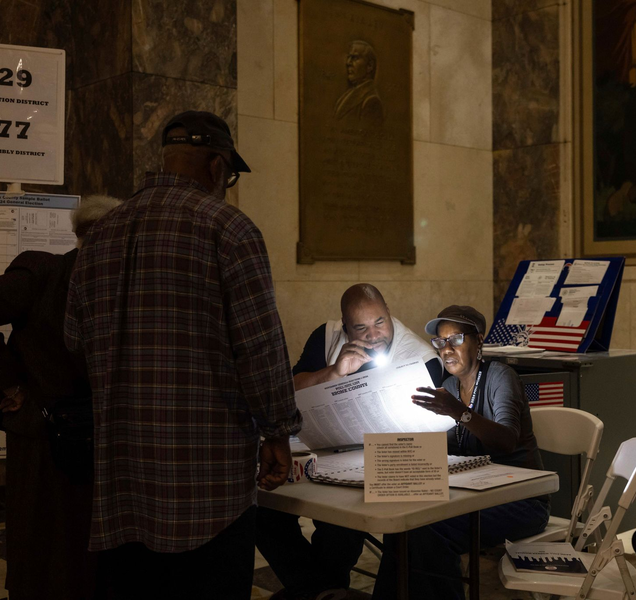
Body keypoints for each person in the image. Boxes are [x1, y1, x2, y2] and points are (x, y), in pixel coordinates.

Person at [64, 111, 301, 600]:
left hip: (123, 484)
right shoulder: (228, 229)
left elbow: (74, 340)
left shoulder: (101, 234)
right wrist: (277, 430)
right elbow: (259, 348)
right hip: (208, 490)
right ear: (216, 166)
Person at [256, 283, 442, 600]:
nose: (373, 335)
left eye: (380, 322)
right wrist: (332, 373)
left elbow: (427, 435)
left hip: (384, 463)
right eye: (361, 328)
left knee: (341, 521)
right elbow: (291, 388)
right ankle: (323, 590)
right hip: (322, 453)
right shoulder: (327, 336)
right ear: (345, 326)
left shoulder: (421, 358)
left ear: (389, 313)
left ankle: (315, 591)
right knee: (261, 508)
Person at [371, 305, 551, 600]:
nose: (446, 349)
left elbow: (506, 440)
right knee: (401, 525)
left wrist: (459, 412)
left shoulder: (500, 377)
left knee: (428, 530)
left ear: (478, 341)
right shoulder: (449, 387)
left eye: (455, 339)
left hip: (521, 500)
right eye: (440, 342)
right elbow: (444, 446)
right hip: (475, 493)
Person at [0, 194, 122, 600]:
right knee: (44, 550)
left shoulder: (121, 284)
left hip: (96, 438)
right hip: (43, 435)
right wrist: (7, 382)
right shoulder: (42, 272)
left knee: (85, 555)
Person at [334, 40, 384, 125]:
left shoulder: (371, 101)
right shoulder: (347, 95)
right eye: (349, 57)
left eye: (355, 58)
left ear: (369, 66)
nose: (348, 63)